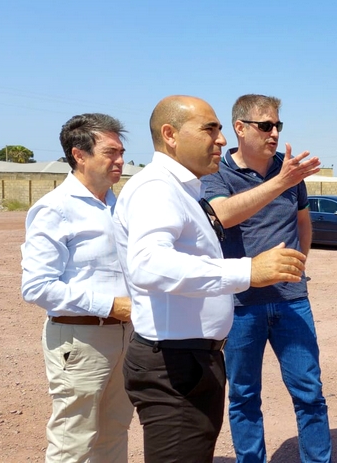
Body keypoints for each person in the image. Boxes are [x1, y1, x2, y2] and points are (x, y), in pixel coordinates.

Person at [113, 95, 307, 462]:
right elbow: (149, 264)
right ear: (170, 134)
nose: (221, 139)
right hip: (172, 363)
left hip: (192, 358)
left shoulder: (184, 189)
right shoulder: (156, 188)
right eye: (210, 129)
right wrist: (247, 270)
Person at [201, 94, 332, 463]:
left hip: (292, 301)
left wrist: (299, 263)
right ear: (240, 128)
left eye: (278, 125)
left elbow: (303, 222)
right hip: (241, 304)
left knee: (309, 392)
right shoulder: (217, 174)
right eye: (265, 125)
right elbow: (222, 215)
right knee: (244, 395)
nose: (274, 133)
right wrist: (281, 182)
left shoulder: (289, 172)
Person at [21, 113, 134, 462]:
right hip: (79, 340)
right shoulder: (55, 209)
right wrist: (110, 305)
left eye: (121, 152)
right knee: (74, 439)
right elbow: (37, 286)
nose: (120, 160)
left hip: (126, 335)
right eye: (111, 152)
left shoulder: (120, 207)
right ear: (79, 155)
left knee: (115, 432)